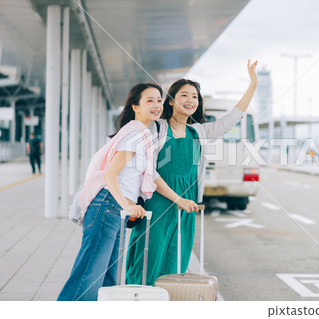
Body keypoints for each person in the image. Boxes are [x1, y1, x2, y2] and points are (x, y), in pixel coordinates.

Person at [57, 83, 197, 301]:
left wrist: (179, 200)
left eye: (159, 100)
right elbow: (110, 175)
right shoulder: (134, 133)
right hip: (108, 205)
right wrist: (127, 205)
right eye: (149, 100)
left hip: (116, 210)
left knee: (108, 281)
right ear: (135, 106)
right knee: (89, 275)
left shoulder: (144, 135)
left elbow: (153, 176)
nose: (157, 105)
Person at [125, 60, 258, 286]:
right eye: (184, 95)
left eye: (195, 96)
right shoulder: (156, 128)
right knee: (147, 256)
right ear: (171, 100)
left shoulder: (199, 132)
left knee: (176, 260)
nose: (190, 100)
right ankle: (138, 300)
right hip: (157, 202)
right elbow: (145, 169)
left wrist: (253, 84)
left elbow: (232, 118)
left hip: (187, 205)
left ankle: (165, 303)